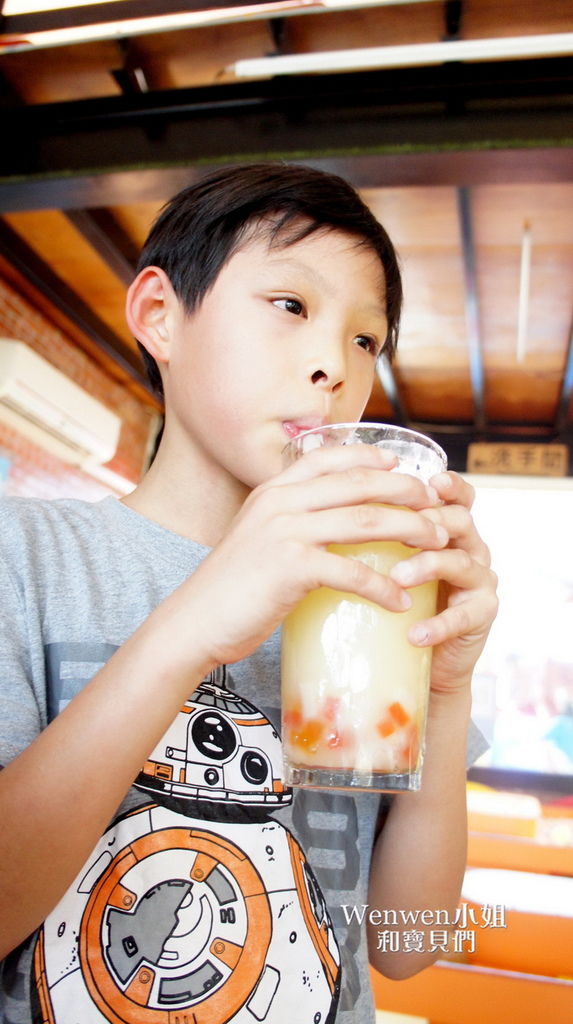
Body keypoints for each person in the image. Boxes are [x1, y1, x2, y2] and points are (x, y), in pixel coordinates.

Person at [0, 162, 497, 1024]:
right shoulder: (26, 557)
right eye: (290, 307)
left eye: (365, 340)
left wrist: (444, 690)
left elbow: (408, 944)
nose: (330, 367)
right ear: (160, 315)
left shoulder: (369, 601)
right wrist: (192, 623)